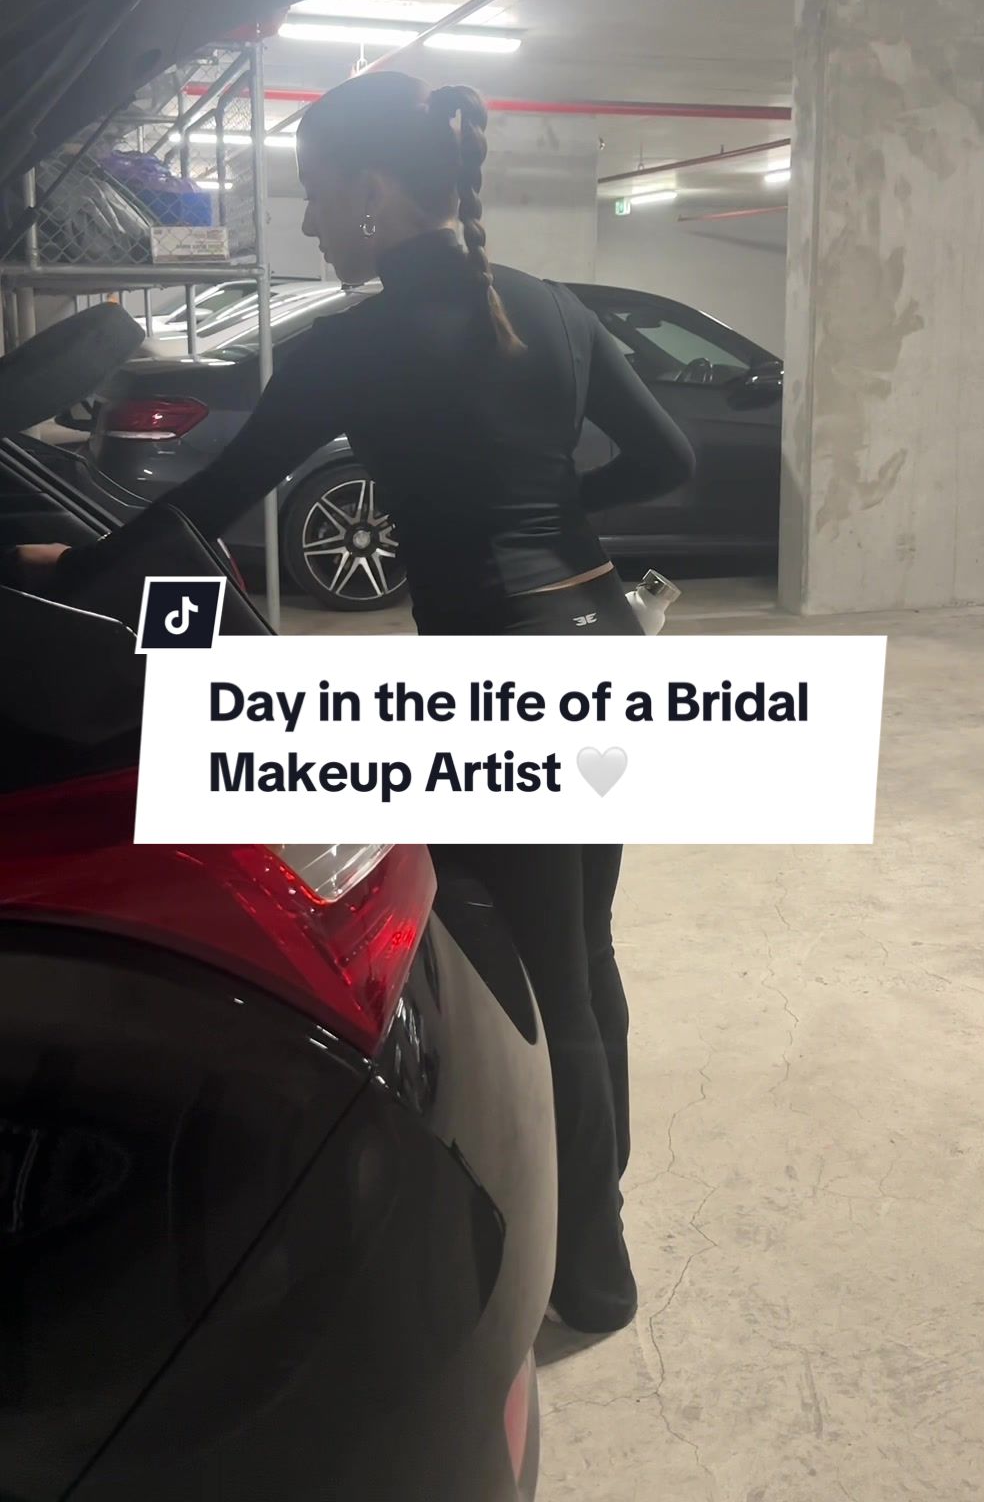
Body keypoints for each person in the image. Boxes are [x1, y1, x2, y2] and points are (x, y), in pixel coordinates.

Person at [142, 72, 695, 1332]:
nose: (309, 220)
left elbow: (205, 501)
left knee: (542, 971)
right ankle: (598, 1208)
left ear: (376, 193)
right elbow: (668, 457)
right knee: (585, 945)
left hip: (500, 671)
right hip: (603, 641)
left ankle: (593, 1271)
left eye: (315, 193)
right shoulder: (553, 308)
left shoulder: (356, 344)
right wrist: (546, 515)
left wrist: (71, 565)